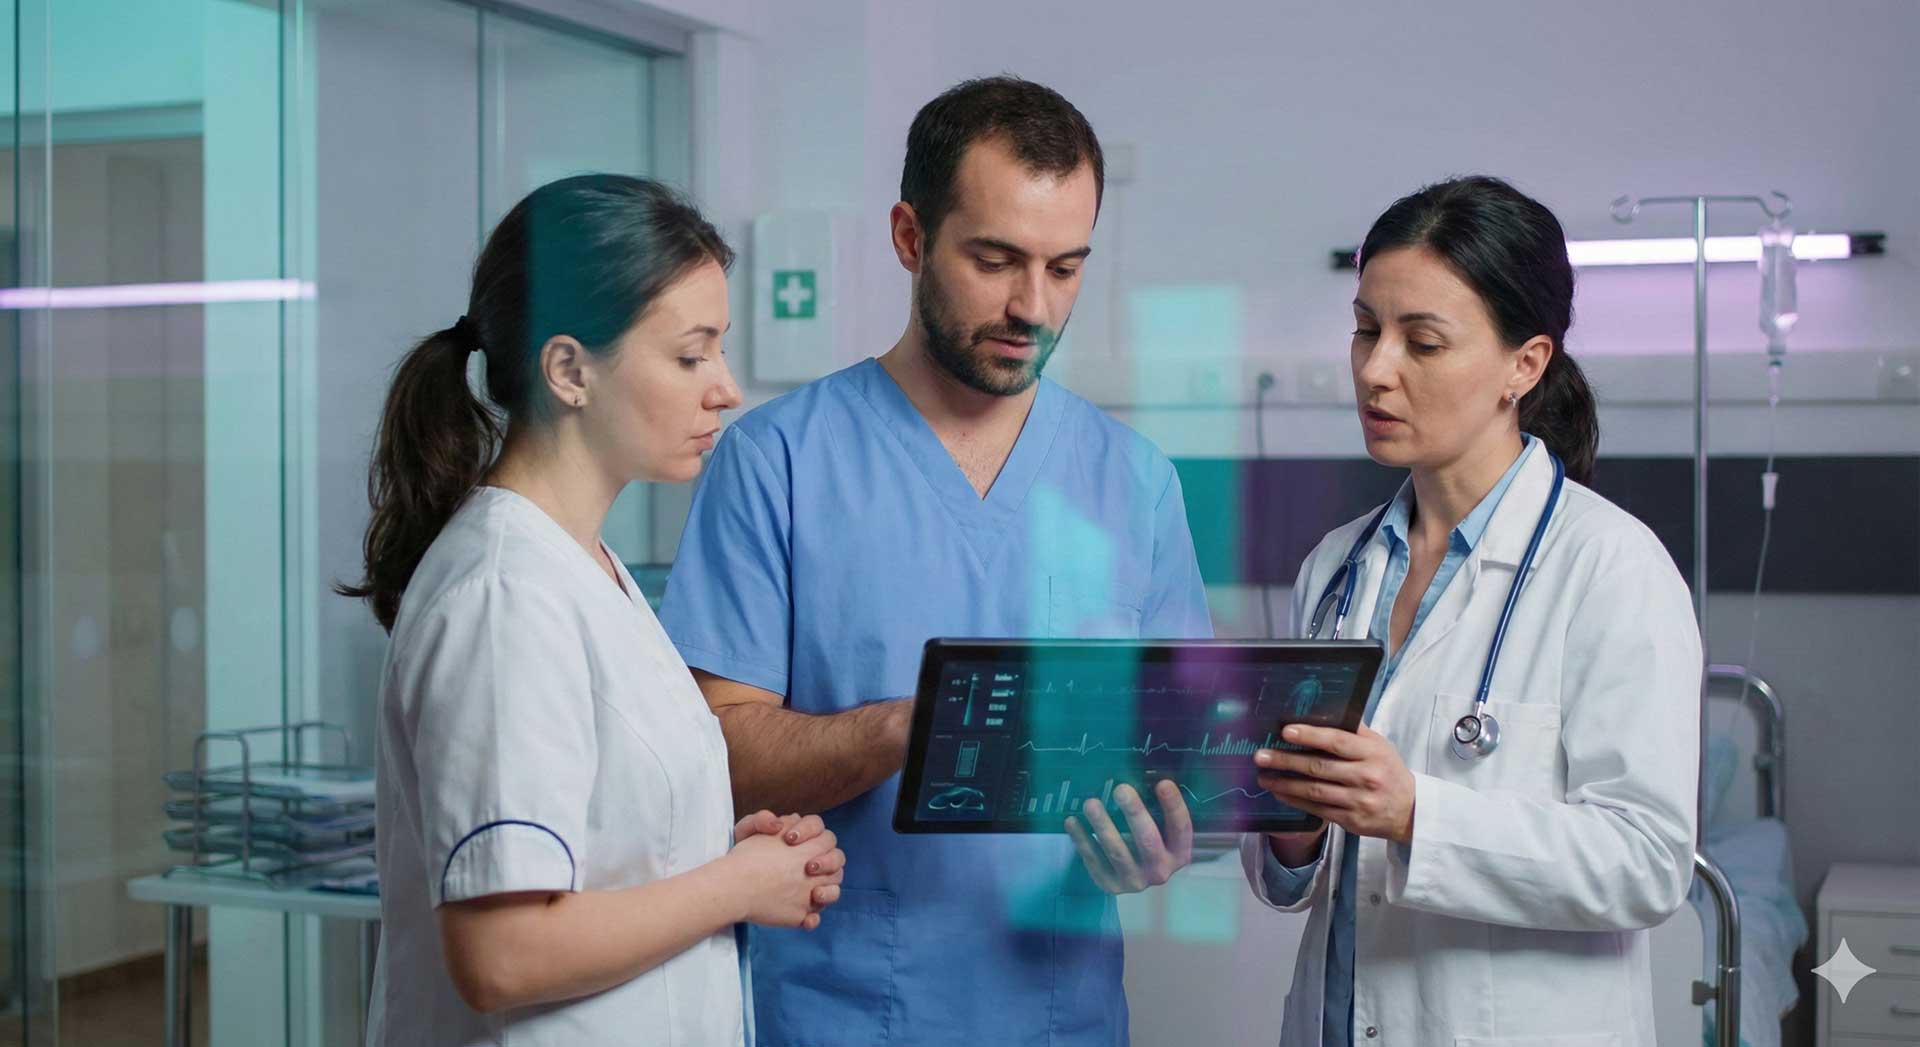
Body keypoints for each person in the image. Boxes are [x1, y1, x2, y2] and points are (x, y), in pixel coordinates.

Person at [658, 76, 1213, 1045]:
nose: (1031, 306)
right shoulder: (777, 463)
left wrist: (1163, 840)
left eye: (1066, 267)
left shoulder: (1135, 481)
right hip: (838, 1012)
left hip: (1060, 1015)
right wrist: (914, 730)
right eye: (995, 260)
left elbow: (1182, 762)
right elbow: (716, 760)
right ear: (910, 237)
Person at [341, 174, 846, 1046]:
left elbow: (590, 840)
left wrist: (722, 848)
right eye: (691, 355)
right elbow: (501, 950)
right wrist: (735, 887)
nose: (724, 387)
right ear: (570, 369)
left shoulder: (587, 566)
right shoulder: (505, 595)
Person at [1242, 175, 1701, 1046]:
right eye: (1366, 330)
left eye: (1422, 341)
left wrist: (1419, 813)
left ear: (1523, 365)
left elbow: (1648, 864)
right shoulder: (1335, 569)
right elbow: (1292, 878)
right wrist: (1291, 829)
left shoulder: (1610, 568)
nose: (1376, 370)